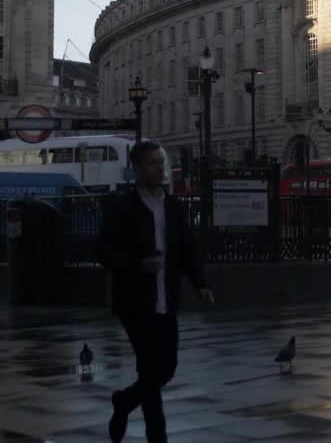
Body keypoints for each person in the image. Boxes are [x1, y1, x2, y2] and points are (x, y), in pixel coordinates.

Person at [95, 140, 214, 443]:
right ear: (136, 168)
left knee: (167, 369)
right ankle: (157, 438)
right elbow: (103, 252)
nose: (158, 168)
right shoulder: (123, 206)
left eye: (160, 162)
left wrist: (201, 284)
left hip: (166, 300)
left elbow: (187, 249)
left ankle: (124, 402)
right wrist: (138, 264)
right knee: (149, 372)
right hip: (135, 303)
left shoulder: (172, 205)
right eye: (151, 163)